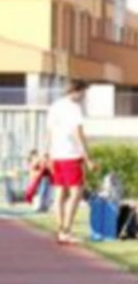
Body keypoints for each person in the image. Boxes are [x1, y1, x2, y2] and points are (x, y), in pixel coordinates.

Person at [46, 80, 95, 244]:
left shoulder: (54, 106)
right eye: (83, 93)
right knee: (76, 193)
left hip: (57, 155)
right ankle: (66, 230)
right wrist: (88, 158)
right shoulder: (74, 108)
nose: (84, 96)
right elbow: (78, 133)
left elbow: (50, 132)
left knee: (60, 193)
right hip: (71, 155)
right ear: (77, 91)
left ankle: (61, 230)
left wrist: (48, 154)